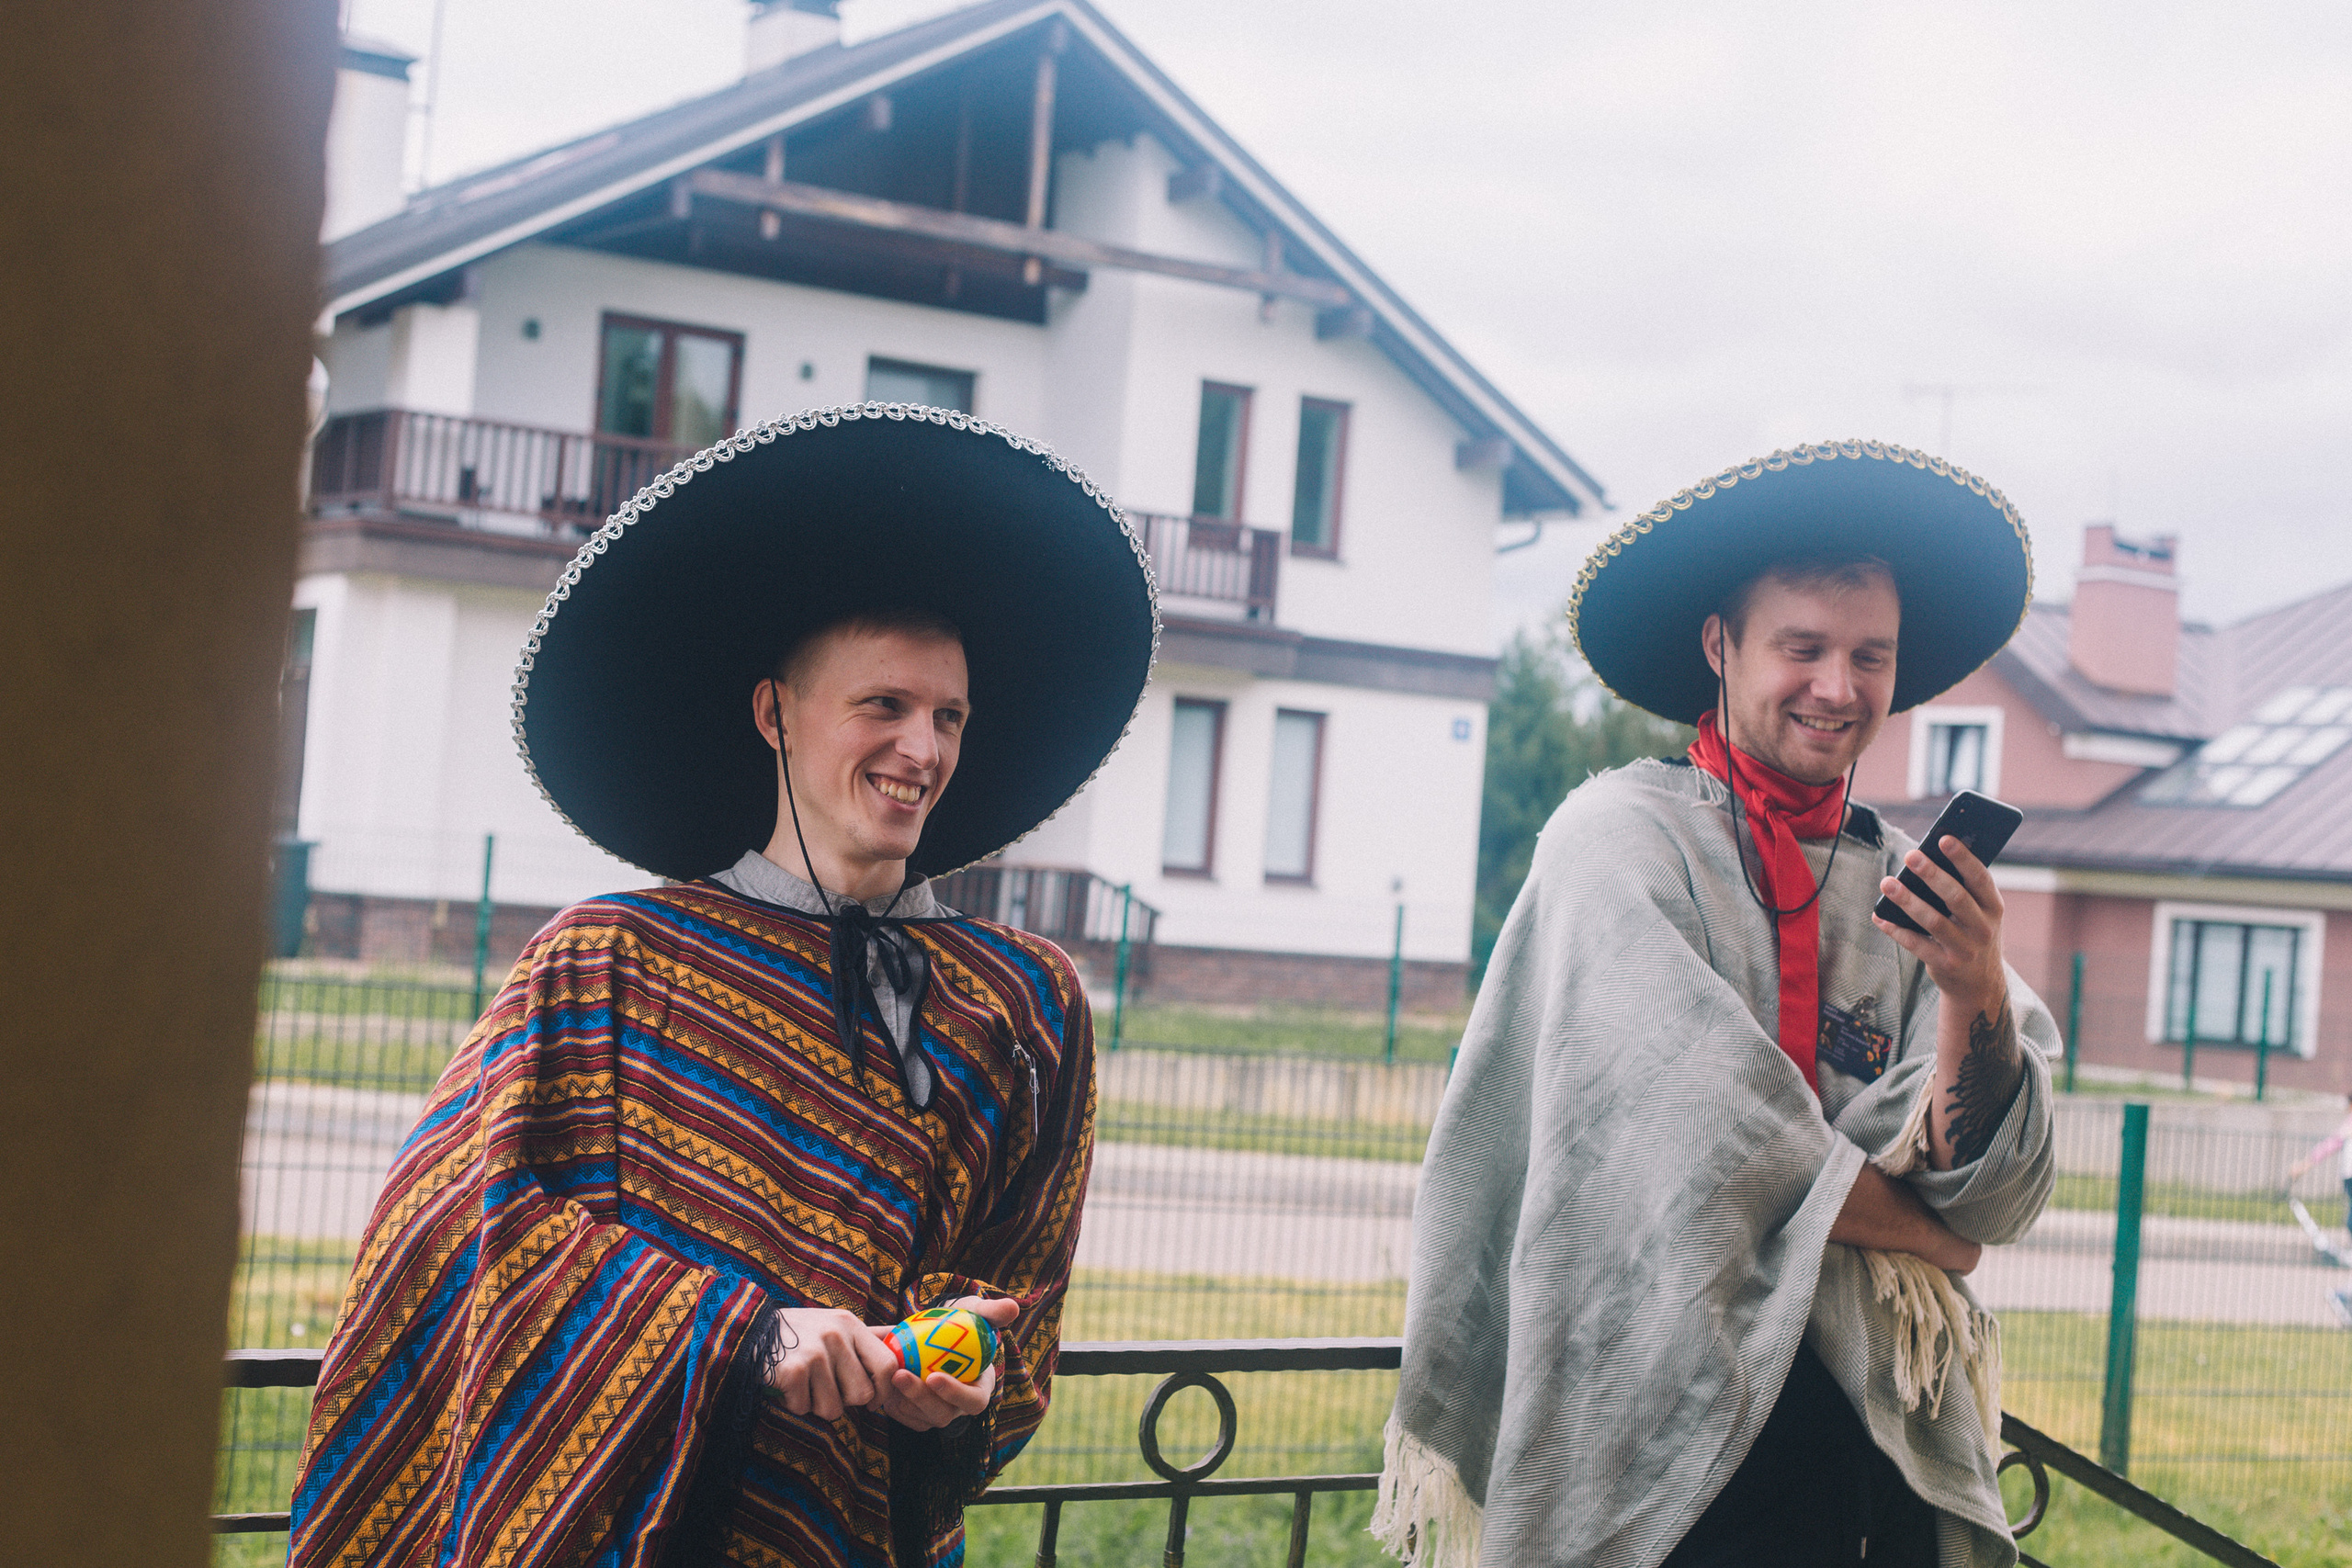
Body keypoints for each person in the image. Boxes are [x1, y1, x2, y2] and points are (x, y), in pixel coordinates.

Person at [288, 405, 1158, 1568]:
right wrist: (739, 1335)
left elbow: (1018, 1282)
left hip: (859, 1532)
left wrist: (958, 1360)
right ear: (773, 716)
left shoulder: (1025, 1005)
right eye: (882, 706)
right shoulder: (606, 961)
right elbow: (449, 1228)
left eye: (948, 715)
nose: (924, 748)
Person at [1374, 441, 2058, 1568]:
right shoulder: (1614, 844)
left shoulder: (1902, 881)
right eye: (1802, 647)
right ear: (1720, 646)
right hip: (1639, 1413)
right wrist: (1917, 1229)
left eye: (1868, 655)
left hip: (1855, 1438)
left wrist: (1971, 987)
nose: (1837, 687)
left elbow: (1993, 1183)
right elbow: (1706, 1134)